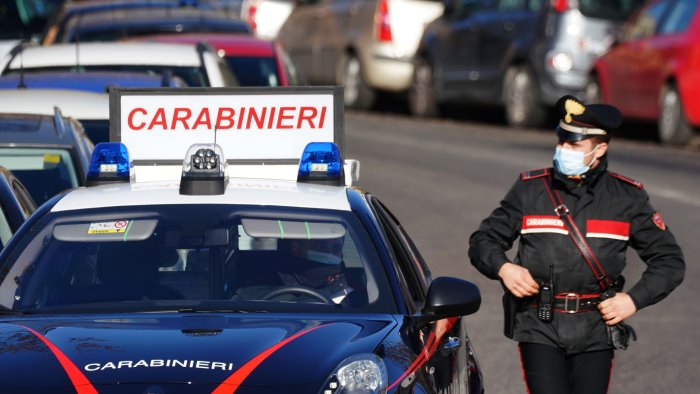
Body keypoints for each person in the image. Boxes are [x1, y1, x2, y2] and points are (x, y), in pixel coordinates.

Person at [468, 95, 685, 394]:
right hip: (539, 323)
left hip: (596, 327)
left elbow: (669, 261)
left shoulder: (627, 198)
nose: (562, 151)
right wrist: (504, 268)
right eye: (561, 142)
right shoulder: (531, 189)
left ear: (600, 149)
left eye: (574, 145)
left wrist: (632, 300)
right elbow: (484, 240)